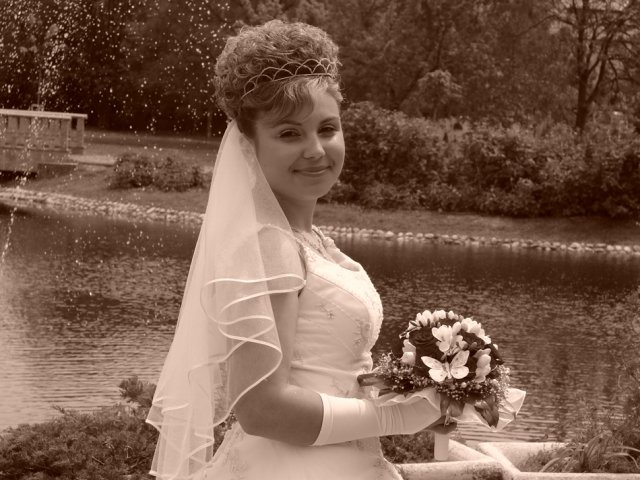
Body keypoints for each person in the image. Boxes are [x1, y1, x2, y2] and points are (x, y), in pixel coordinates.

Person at [147, 20, 446, 480]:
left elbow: (328, 372)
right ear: (249, 146)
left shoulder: (309, 241)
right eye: (289, 134)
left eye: (327, 128)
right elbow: (262, 410)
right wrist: (394, 418)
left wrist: (426, 389)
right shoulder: (269, 245)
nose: (316, 150)